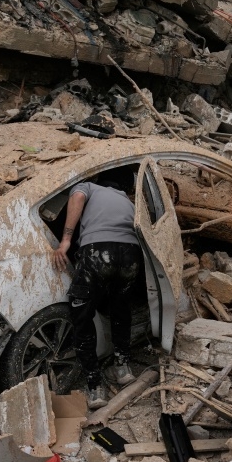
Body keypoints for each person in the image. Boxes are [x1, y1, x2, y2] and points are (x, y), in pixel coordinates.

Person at [51, 171, 142, 408]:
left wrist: (66, 241)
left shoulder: (89, 187)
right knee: (120, 309)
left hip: (98, 251)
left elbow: (77, 198)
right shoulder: (128, 200)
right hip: (130, 254)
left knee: (81, 313)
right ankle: (122, 368)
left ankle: (95, 385)